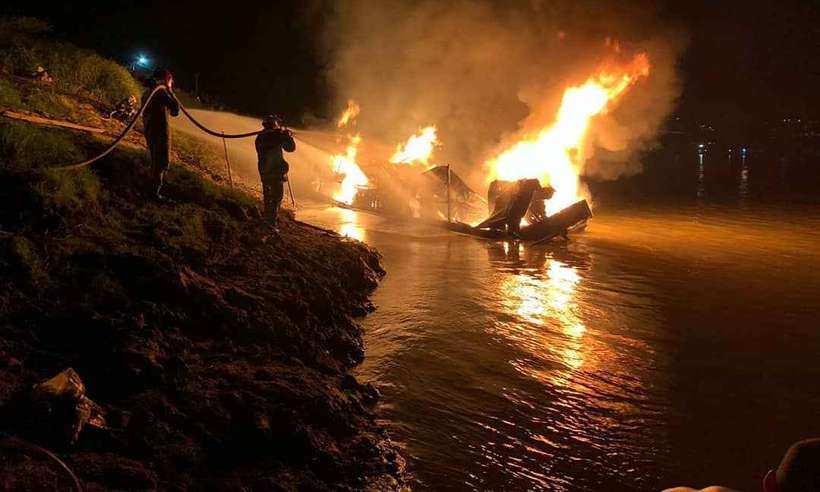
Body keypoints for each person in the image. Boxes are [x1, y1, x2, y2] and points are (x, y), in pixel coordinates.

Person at [142, 69, 179, 201]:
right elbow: (175, 110)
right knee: (162, 163)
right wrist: (170, 90)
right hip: (160, 132)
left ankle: (150, 190)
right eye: (170, 80)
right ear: (166, 79)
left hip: (150, 130)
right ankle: (154, 195)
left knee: (155, 161)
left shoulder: (148, 92)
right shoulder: (161, 92)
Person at [255, 115, 295, 230]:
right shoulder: (276, 136)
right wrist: (288, 137)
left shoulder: (260, 137)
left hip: (264, 173)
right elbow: (291, 148)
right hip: (275, 173)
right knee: (276, 198)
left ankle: (269, 222)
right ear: (274, 125)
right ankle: (271, 224)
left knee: (268, 198)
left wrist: (283, 135)